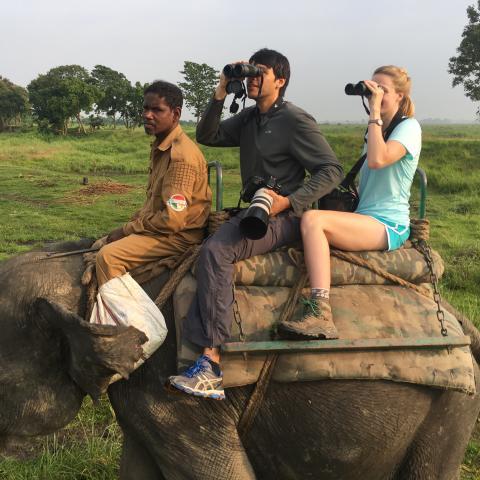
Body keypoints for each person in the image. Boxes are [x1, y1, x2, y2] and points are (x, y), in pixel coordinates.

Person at [168, 48, 343, 400]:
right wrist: (221, 90)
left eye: (259, 72)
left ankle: (211, 363)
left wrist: (289, 201)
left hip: (286, 216)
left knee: (217, 252)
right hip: (258, 209)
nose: (251, 78)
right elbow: (208, 134)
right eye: (249, 72)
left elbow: (332, 170)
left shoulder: (294, 119)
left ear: (280, 80)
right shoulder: (249, 118)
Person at [278, 65, 421, 340]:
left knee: (313, 221)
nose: (374, 95)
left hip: (388, 224)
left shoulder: (409, 128)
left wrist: (375, 114)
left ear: (401, 96)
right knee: (306, 219)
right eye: (372, 89)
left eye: (383, 91)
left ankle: (321, 311)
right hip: (366, 216)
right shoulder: (376, 131)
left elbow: (378, 161)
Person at [90, 80, 212, 367]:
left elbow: (173, 219)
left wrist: (126, 230)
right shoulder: (162, 147)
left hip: (179, 236)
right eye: (145, 108)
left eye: (156, 110)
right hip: (163, 227)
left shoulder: (181, 157)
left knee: (108, 257)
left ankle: (135, 334)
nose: (147, 115)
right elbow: (154, 205)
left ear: (176, 113)